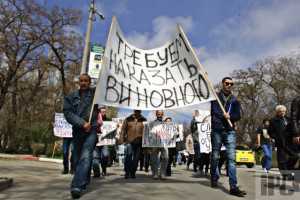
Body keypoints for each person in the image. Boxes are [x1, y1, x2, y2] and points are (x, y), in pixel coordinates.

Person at [63, 73, 98, 199]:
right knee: (77, 159)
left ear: (90, 82)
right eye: (81, 81)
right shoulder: (71, 97)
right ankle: (84, 179)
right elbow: (67, 113)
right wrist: (82, 123)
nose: (83, 83)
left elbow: (107, 89)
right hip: (78, 131)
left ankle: (76, 186)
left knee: (86, 156)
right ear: (78, 82)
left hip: (92, 131)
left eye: (86, 81)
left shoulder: (95, 95)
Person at [210, 77, 246, 197]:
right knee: (215, 156)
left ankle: (233, 186)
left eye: (231, 84)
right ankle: (214, 177)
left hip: (230, 131)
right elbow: (214, 112)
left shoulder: (235, 100)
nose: (229, 85)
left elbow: (238, 115)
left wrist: (231, 117)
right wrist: (223, 115)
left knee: (231, 159)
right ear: (222, 84)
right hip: (217, 130)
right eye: (227, 83)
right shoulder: (215, 97)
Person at [268, 105, 298, 179]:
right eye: (280, 111)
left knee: (295, 156)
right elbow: (270, 132)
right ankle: (285, 175)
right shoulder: (273, 120)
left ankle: (288, 169)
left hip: (289, 142)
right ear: (277, 112)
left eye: (284, 111)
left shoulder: (289, 119)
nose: (282, 113)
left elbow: (294, 128)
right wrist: (276, 138)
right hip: (280, 141)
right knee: (281, 159)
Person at [119, 110, 147, 179]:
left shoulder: (144, 120)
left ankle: (133, 172)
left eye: (139, 111)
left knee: (136, 159)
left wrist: (146, 143)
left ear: (141, 111)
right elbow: (123, 130)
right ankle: (127, 172)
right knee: (128, 157)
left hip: (139, 142)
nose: (137, 111)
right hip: (129, 141)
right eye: (136, 110)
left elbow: (147, 132)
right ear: (134, 110)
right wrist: (121, 140)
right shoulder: (128, 119)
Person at [150, 110, 169, 180]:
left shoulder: (166, 123)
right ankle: (155, 173)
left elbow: (170, 132)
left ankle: (162, 173)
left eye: (161, 114)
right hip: (155, 143)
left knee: (166, 158)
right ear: (156, 114)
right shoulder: (152, 123)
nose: (159, 115)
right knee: (154, 158)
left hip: (164, 143)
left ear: (163, 115)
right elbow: (150, 132)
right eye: (158, 114)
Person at [92, 106, 110, 177]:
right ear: (99, 111)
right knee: (95, 157)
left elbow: (112, 127)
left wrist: (116, 126)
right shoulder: (93, 119)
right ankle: (96, 173)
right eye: (102, 111)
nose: (103, 112)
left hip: (104, 140)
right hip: (95, 139)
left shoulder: (108, 120)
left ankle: (104, 169)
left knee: (105, 155)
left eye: (104, 111)